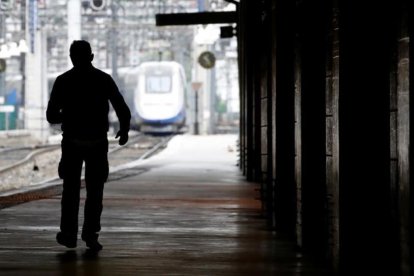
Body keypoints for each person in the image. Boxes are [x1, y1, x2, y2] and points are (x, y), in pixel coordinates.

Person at [46, 40, 131, 251]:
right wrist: (124, 129)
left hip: (72, 143)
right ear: (91, 57)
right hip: (97, 144)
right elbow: (121, 107)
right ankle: (91, 234)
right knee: (95, 191)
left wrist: (68, 115)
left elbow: (50, 116)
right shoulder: (103, 79)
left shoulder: (62, 81)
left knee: (70, 191)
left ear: (71, 57)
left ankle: (68, 234)